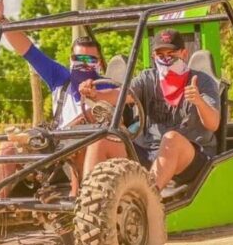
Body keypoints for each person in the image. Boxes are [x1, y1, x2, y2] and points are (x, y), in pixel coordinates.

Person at [0, 0, 105, 198]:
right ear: (70, 60)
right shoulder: (61, 78)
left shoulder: (106, 85)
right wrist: (1, 21)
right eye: (78, 58)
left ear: (99, 62)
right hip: (55, 147)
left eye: (89, 59)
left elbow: (104, 111)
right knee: (7, 147)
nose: (83, 64)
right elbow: (29, 51)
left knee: (79, 146)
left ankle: (75, 206)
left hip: (86, 152)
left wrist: (69, 131)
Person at [78, 29, 221, 191]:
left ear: (184, 54)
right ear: (154, 56)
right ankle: (89, 199)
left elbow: (213, 124)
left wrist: (199, 101)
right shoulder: (147, 78)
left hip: (191, 158)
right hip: (149, 153)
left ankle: (147, 197)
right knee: (101, 139)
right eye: (161, 55)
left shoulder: (201, 81)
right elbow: (121, 95)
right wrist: (95, 94)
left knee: (171, 138)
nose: (166, 59)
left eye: (171, 53)